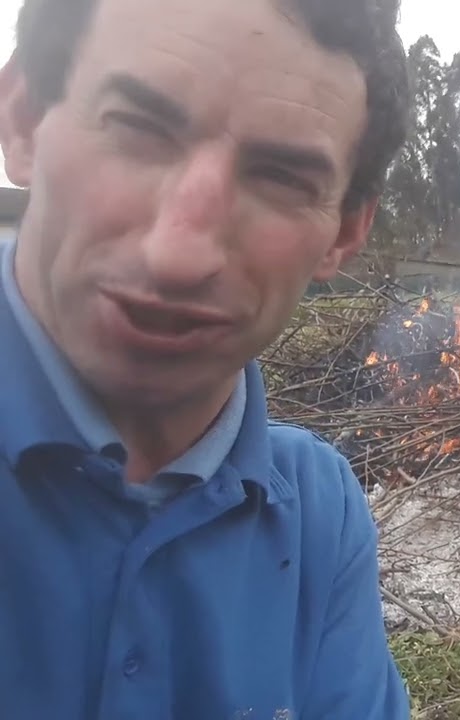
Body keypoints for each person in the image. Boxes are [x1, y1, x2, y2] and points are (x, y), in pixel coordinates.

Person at [0, 0, 412, 717]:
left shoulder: (317, 514)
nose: (178, 255)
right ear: (24, 118)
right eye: (136, 129)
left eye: (282, 179)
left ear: (346, 232)